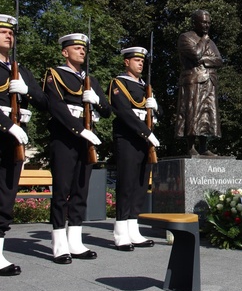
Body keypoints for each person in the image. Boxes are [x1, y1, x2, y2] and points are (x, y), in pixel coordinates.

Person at [43, 33, 111, 264]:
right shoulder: (55, 75)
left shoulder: (89, 80)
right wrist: (80, 130)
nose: (82, 51)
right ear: (65, 52)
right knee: (62, 191)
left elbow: (108, 110)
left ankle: (75, 239)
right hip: (65, 139)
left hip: (86, 140)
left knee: (81, 190)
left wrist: (96, 101)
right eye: (76, 48)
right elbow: (56, 107)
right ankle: (59, 243)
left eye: (83, 49)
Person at [0, 14, 48, 276]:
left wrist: (25, 90)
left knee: (6, 196)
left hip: (14, 141)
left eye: (11, 33)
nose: (9, 35)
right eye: (2, 31)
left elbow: (44, 102)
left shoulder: (20, 71)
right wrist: (8, 126)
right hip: (7, 132)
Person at [107, 47, 161, 251]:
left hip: (145, 140)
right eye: (136, 60)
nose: (140, 63)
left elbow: (157, 113)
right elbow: (124, 112)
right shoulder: (118, 83)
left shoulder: (146, 87)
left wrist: (155, 107)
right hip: (128, 137)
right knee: (127, 182)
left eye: (142, 61)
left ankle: (133, 227)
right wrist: (146, 133)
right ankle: (120, 231)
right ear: (126, 62)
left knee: (140, 183)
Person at [175, 9, 223, 156]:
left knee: (207, 115)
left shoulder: (211, 41)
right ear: (195, 22)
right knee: (192, 112)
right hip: (193, 81)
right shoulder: (186, 37)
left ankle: (204, 146)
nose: (206, 25)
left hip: (209, 82)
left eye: (208, 22)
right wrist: (204, 41)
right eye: (203, 22)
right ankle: (190, 146)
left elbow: (219, 61)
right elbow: (195, 54)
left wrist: (204, 59)